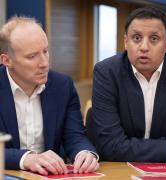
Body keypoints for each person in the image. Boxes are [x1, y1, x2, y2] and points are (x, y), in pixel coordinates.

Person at [0, 16, 99, 175]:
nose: (44, 63)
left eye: (45, 51)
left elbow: (74, 135)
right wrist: (26, 158)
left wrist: (85, 153)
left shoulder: (63, 86)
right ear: (7, 60)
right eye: (32, 56)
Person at [92, 6, 166, 162]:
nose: (144, 47)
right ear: (126, 42)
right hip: (118, 169)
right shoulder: (106, 72)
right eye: (137, 38)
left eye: (154, 39)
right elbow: (111, 145)